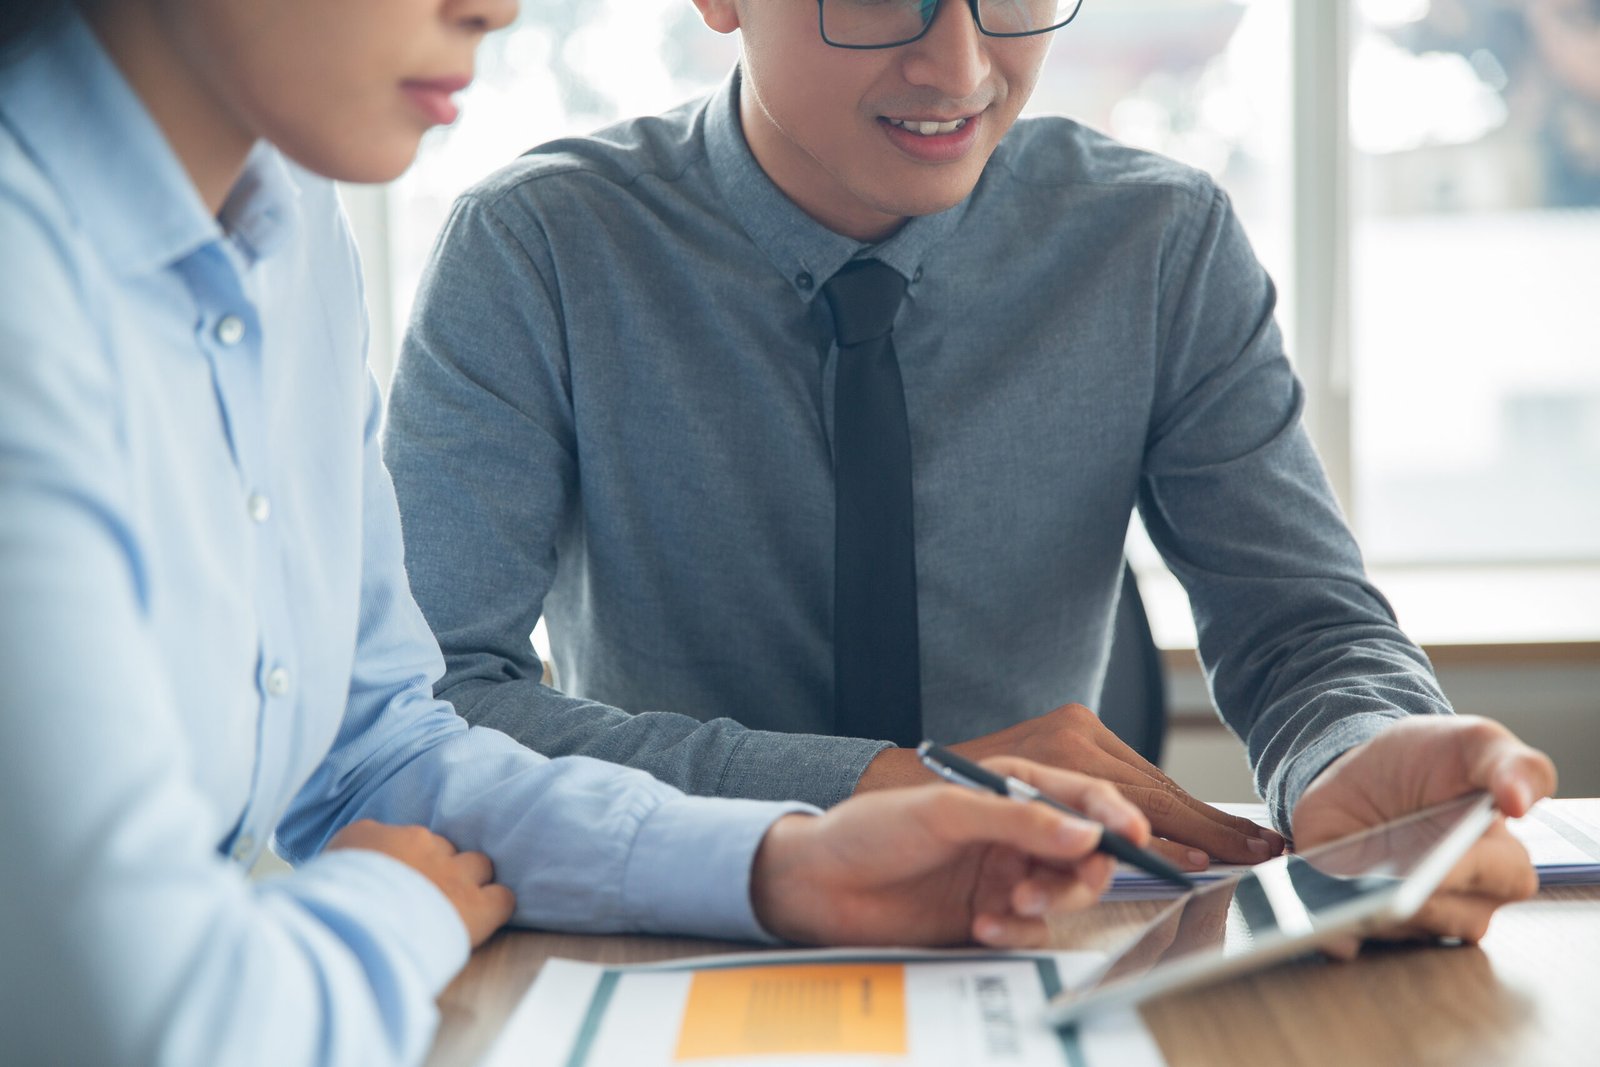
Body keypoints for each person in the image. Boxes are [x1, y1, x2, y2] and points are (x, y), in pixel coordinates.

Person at [0, 2, 1168, 1063]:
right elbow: (156, 1021)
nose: (497, 10)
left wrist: (783, 862)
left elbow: (376, 749)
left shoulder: (290, 222)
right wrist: (393, 902)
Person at [381, 0, 1557, 903]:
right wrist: (887, 781)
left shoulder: (1156, 243)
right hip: (682, 914)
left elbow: (1306, 629)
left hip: (1053, 914)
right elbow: (431, 704)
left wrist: (1355, 749)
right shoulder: (536, 247)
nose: (959, 67)